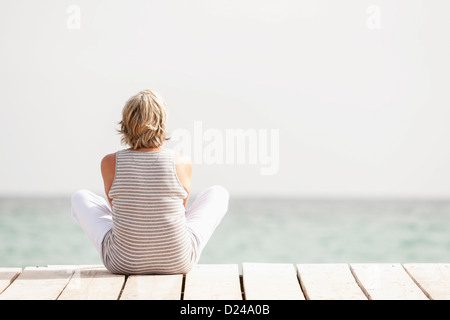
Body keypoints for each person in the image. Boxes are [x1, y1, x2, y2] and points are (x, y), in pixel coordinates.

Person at [71, 89, 229, 274]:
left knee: (80, 197)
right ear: (161, 122)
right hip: (178, 261)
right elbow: (181, 209)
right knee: (219, 193)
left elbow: (116, 208)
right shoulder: (181, 161)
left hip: (122, 262)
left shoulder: (109, 162)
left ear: (126, 123)